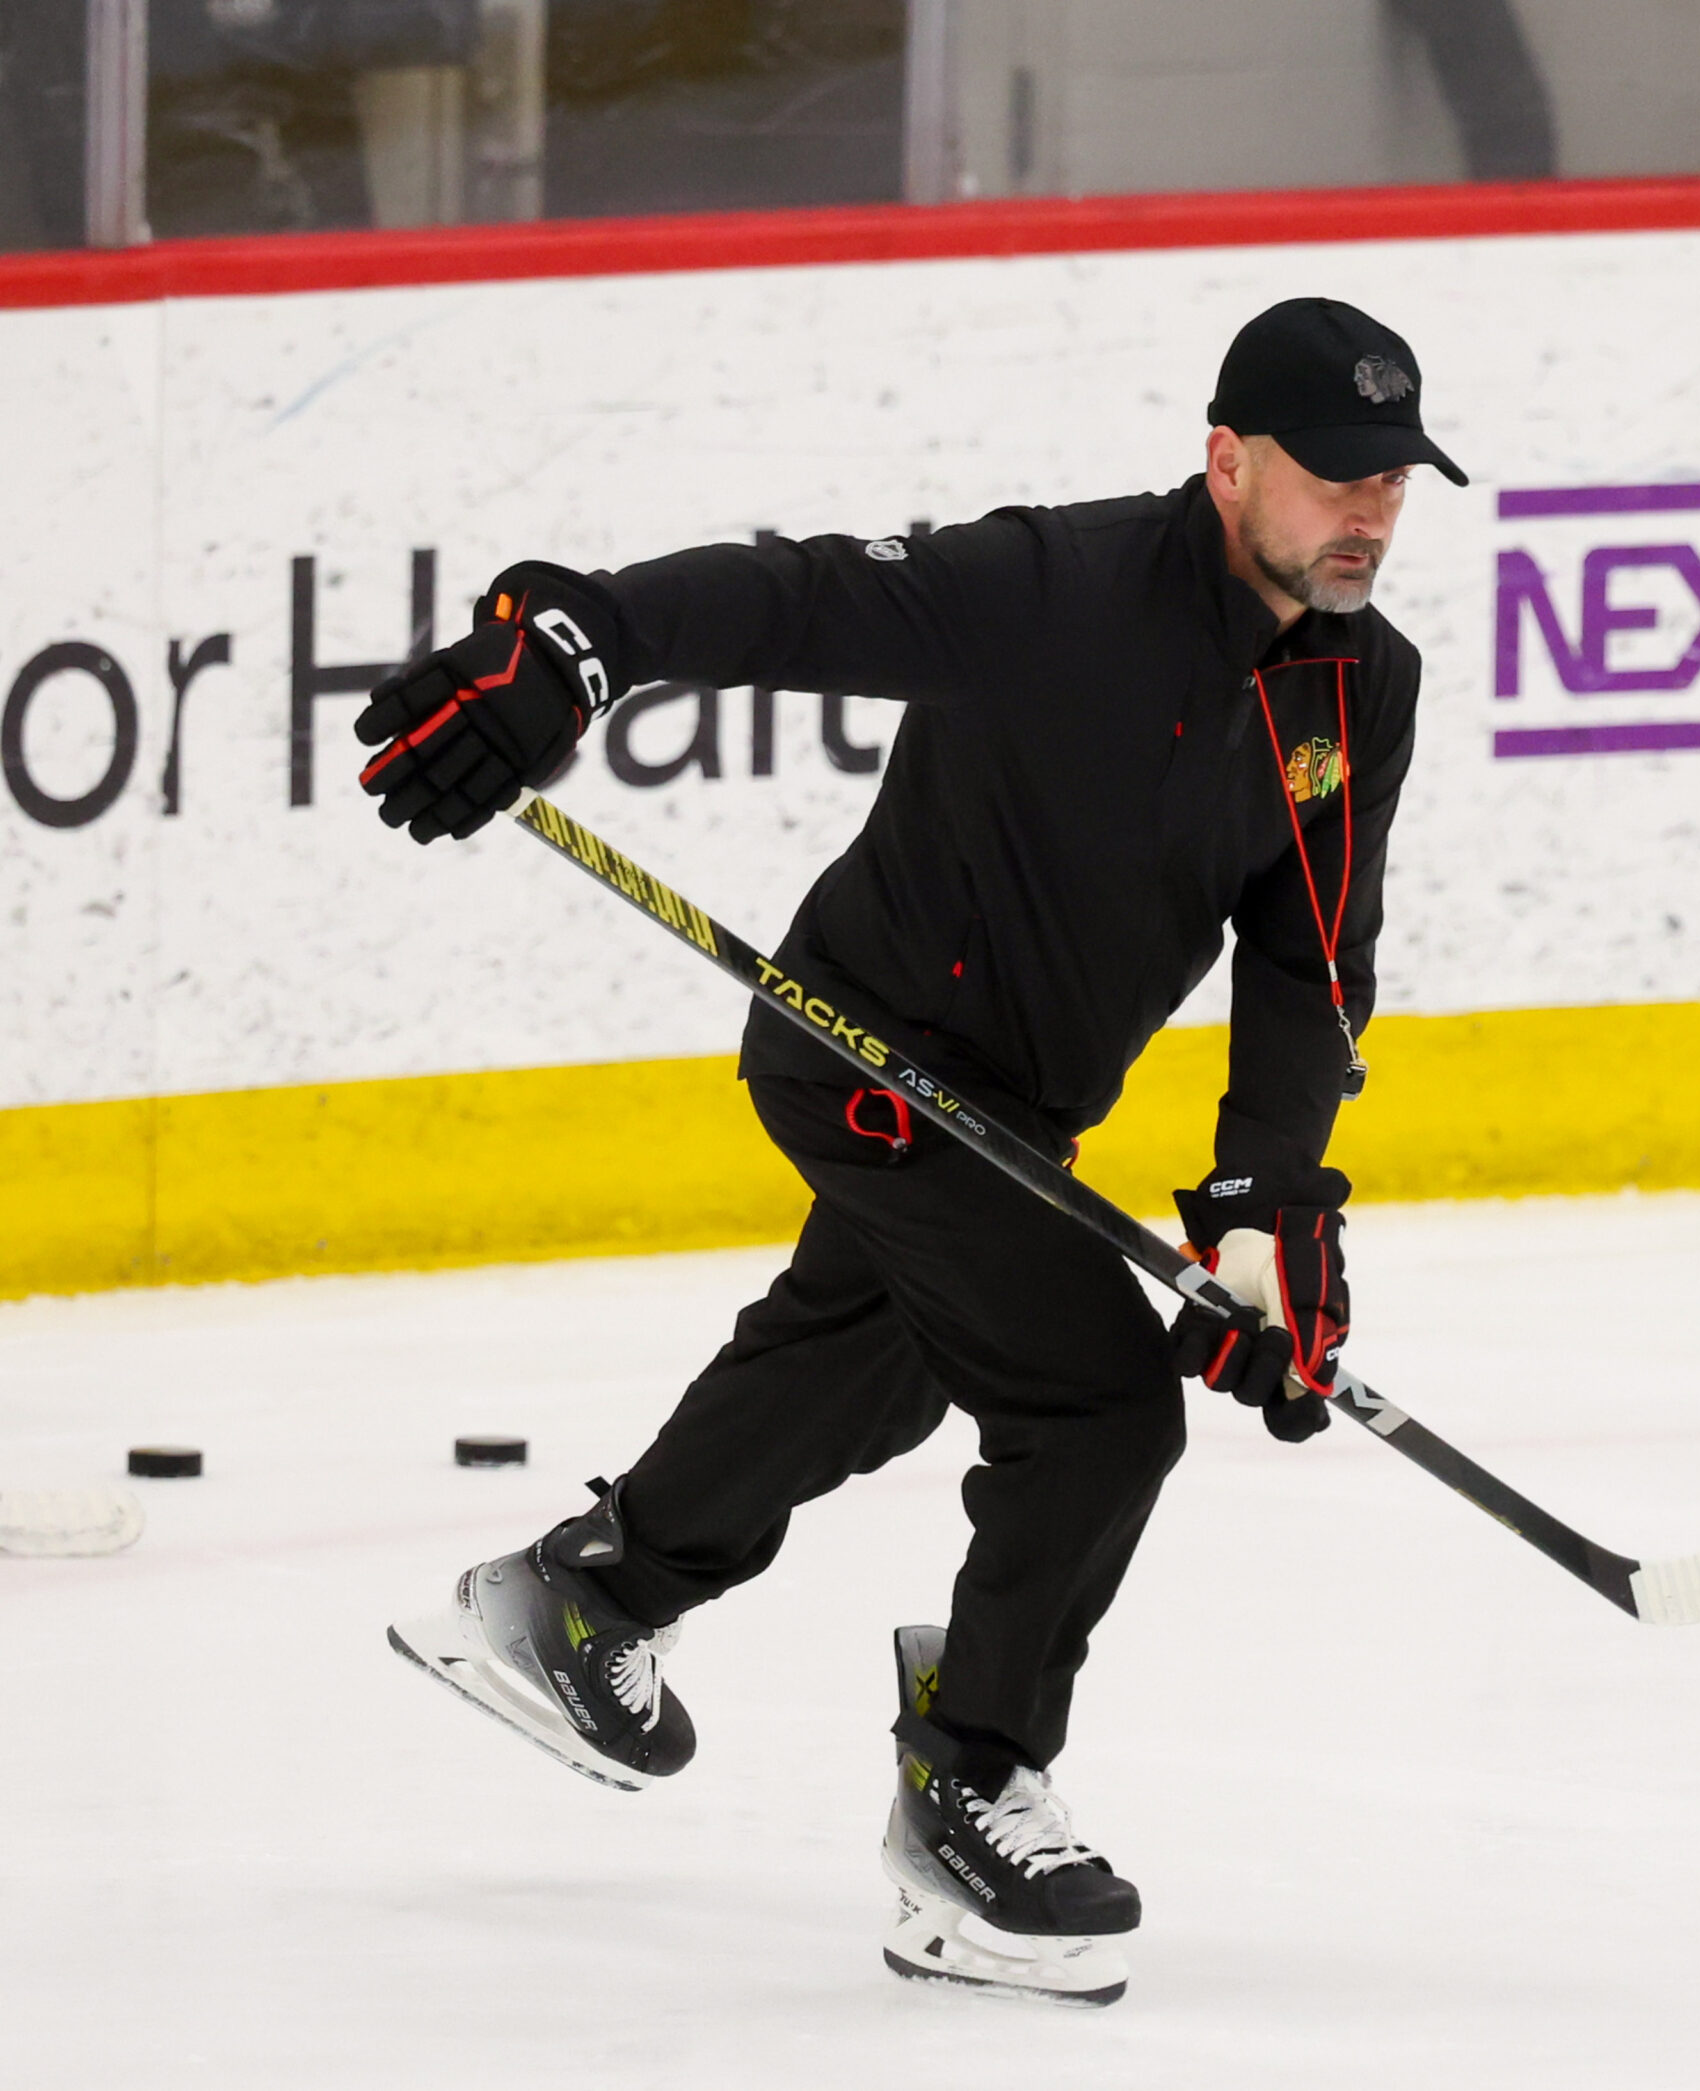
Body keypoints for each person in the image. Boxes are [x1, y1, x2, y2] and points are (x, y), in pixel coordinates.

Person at [373, 297, 1465, 2005]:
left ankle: (579, 1600)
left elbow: (1312, 956)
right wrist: (576, 636)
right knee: (1095, 1405)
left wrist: (1271, 1199)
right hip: (868, 1055)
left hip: (1021, 1108)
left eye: (1396, 478)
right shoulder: (1060, 588)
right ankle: (970, 1786)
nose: (1371, 512)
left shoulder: (1357, 690)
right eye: (1335, 476)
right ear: (1228, 462)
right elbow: (806, 593)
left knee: (873, 1369)